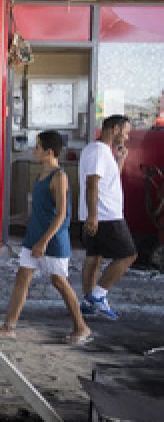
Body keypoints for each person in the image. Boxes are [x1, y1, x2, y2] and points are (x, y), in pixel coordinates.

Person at [0, 131, 91, 345]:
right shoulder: (39, 175)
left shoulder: (59, 176)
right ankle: (9, 326)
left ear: (49, 151)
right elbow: (37, 209)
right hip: (33, 237)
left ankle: (81, 327)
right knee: (22, 280)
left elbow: (62, 214)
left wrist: (44, 241)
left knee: (59, 281)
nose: (33, 151)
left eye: (37, 147)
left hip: (52, 240)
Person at [78, 114, 135, 320]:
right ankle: (98, 295)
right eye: (126, 132)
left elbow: (109, 181)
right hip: (105, 215)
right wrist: (93, 215)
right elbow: (92, 183)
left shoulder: (101, 151)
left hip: (100, 214)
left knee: (95, 257)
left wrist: (120, 160)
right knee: (128, 255)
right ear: (116, 129)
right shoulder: (98, 152)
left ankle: (87, 302)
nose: (127, 137)